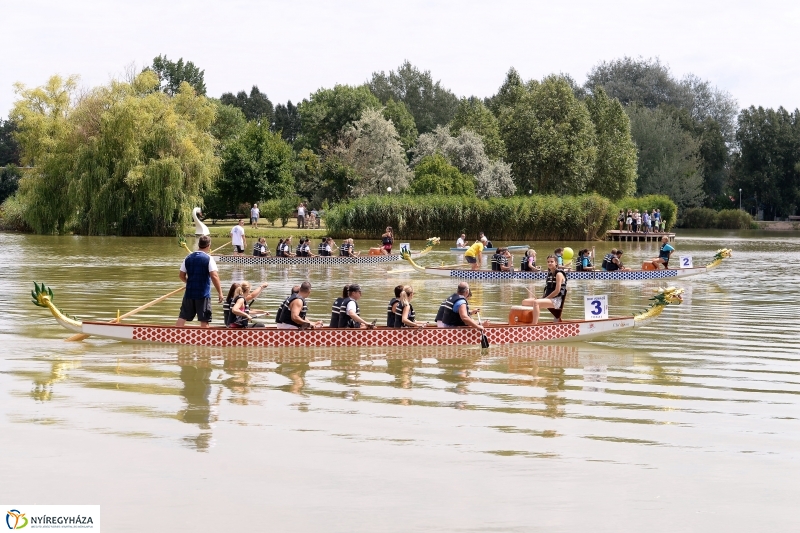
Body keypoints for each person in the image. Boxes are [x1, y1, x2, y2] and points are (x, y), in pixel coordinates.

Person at [176, 235, 224, 328]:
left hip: (189, 293)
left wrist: (188, 283)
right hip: (203, 294)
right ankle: (205, 340)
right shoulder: (209, 258)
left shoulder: (188, 257)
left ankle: (175, 336)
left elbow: (181, 275)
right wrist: (220, 293)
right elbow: (214, 276)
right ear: (209, 245)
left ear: (199, 244)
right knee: (204, 319)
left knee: (182, 317)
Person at [521, 255, 567, 325]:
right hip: (548, 299)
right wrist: (542, 297)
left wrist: (545, 298)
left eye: (552, 262)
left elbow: (557, 291)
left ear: (556, 263)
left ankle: (534, 324)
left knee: (536, 303)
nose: (550, 263)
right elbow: (549, 289)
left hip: (556, 301)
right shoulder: (550, 274)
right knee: (525, 302)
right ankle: (527, 320)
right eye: (548, 262)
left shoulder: (559, 274)